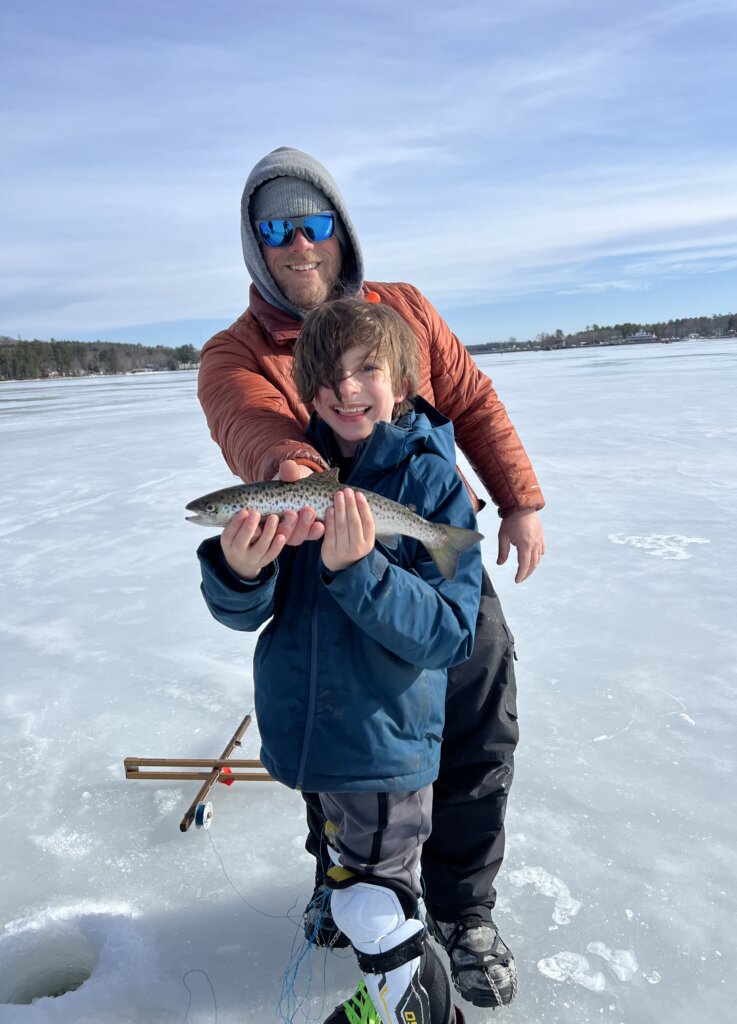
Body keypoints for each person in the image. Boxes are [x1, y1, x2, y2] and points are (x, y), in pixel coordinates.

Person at [197, 146, 546, 1008]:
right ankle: (343, 880)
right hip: (322, 551)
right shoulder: (235, 352)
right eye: (275, 228)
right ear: (256, 245)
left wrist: (520, 500)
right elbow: (253, 428)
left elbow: (470, 398)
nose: (297, 244)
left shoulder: (405, 308)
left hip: (430, 550)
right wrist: (288, 473)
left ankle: (461, 911)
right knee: (333, 719)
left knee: (472, 725)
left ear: (339, 230)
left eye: (311, 223)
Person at [196, 297, 483, 1024]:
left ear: (405, 381)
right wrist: (237, 570)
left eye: (366, 371)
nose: (344, 391)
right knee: (337, 854)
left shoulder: (430, 486)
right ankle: (358, 924)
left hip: (383, 742)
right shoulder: (290, 479)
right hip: (307, 737)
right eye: (324, 379)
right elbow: (244, 612)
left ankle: (413, 1000)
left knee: (378, 889)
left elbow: (450, 633)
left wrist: (362, 569)